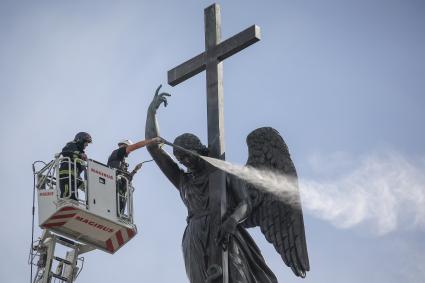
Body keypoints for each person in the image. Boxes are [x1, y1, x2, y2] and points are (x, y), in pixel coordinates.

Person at [145, 88, 278, 283]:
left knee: (236, 277)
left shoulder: (223, 171)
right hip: (195, 236)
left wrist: (232, 221)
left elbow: (245, 203)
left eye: (186, 155)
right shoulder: (183, 180)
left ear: (197, 149)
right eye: (180, 160)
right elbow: (153, 147)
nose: (184, 162)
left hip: (224, 229)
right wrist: (151, 113)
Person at [107, 137, 161, 215]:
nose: (129, 152)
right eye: (128, 148)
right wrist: (151, 141)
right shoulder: (118, 152)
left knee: (118, 208)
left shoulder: (120, 162)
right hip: (115, 186)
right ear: (124, 146)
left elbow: (127, 179)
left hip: (120, 189)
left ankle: (118, 215)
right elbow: (136, 146)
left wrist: (135, 170)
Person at [59, 132, 92, 201]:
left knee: (74, 197)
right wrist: (80, 154)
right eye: (86, 142)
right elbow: (65, 151)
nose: (87, 145)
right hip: (66, 175)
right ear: (80, 140)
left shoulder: (80, 153)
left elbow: (77, 171)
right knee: (67, 195)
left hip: (73, 177)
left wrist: (84, 186)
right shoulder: (71, 144)